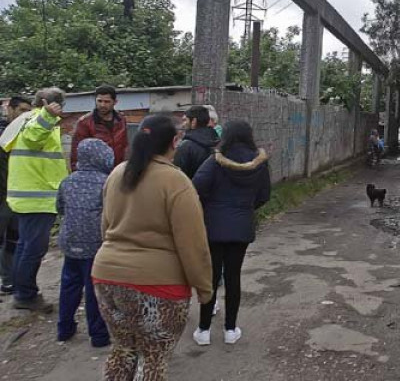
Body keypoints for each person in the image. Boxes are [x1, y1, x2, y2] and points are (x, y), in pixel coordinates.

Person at [92, 115, 212, 380]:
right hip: (158, 283)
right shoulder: (176, 181)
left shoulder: (117, 173)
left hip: (107, 277)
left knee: (123, 349)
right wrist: (204, 288)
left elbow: (105, 228)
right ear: (173, 142)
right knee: (153, 358)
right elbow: (193, 244)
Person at [191, 120, 270, 346]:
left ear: (225, 136)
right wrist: (245, 209)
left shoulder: (215, 161)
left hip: (213, 228)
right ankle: (230, 330)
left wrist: (210, 206)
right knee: (233, 277)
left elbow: (196, 187)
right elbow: (264, 195)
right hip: (242, 227)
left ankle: (204, 330)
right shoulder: (260, 163)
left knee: (212, 277)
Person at [1, 88, 67, 312]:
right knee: (33, 248)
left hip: (30, 196)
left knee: (24, 246)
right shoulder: (37, 120)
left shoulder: (25, 120)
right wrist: (47, 115)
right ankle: (26, 295)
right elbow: (33, 137)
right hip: (37, 198)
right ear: (49, 103)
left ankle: (23, 291)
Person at [56, 139, 112, 347]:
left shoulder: (68, 181)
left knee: (69, 286)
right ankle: (98, 335)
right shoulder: (106, 182)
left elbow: (60, 208)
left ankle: (64, 329)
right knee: (94, 290)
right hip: (94, 244)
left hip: (70, 241)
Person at [0, 96, 32, 294]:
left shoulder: (24, 135)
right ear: (10, 109)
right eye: (21, 110)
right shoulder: (4, 134)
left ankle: (8, 281)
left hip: (16, 195)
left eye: (28, 111)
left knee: (13, 240)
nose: (25, 115)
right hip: (3, 195)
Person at [70, 85, 128, 170]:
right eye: (99, 101)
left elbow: (125, 146)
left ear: (115, 102)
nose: (102, 105)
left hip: (118, 170)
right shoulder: (85, 123)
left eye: (107, 102)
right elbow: (76, 152)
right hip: (96, 172)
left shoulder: (121, 120)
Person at [174, 105, 219, 179]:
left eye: (186, 120)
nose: (183, 124)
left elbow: (178, 177)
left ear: (194, 121)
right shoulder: (219, 143)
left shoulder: (186, 146)